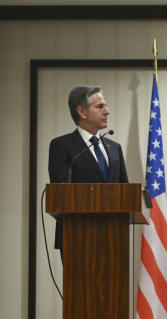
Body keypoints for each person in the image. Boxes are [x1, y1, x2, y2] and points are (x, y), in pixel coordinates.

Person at [48, 85, 129, 251]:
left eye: (106, 106)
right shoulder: (62, 146)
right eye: (100, 106)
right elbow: (60, 193)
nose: (107, 111)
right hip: (76, 238)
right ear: (82, 112)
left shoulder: (115, 148)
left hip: (113, 236)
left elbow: (125, 191)